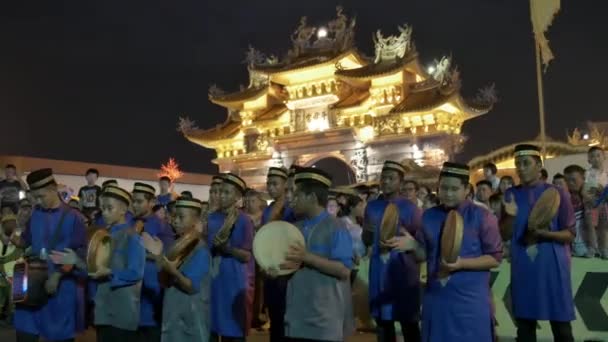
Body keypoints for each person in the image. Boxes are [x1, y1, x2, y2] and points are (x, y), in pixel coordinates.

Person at [392, 162, 502, 341]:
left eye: (454, 189)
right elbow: (424, 255)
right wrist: (412, 246)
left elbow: (495, 258)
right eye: (444, 188)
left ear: (466, 189)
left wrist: (461, 264)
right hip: (437, 300)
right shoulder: (429, 216)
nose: (448, 194)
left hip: (470, 302)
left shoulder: (483, 216)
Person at [503, 144, 575, 342]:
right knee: (525, 329)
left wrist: (545, 234)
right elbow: (504, 235)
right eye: (518, 164)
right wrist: (509, 217)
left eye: (526, 163)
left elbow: (570, 234)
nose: (521, 168)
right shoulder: (511, 194)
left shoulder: (557, 193)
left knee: (562, 329)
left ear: (538, 165)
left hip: (552, 267)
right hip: (523, 268)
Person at [12, 168, 87, 342]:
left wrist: (58, 275)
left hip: (60, 288)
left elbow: (79, 255)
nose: (38, 201)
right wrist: (10, 234)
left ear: (53, 190)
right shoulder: (35, 214)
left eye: (41, 196)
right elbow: (25, 242)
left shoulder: (74, 217)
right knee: (24, 332)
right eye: (35, 197)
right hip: (33, 283)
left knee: (58, 334)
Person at [281, 167, 354, 342]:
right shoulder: (294, 228)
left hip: (325, 322)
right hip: (296, 318)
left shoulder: (336, 227)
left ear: (312, 198)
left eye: (297, 195)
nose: (292, 199)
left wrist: (307, 257)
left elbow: (344, 270)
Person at [363, 161, 424, 342]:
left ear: (400, 182)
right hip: (379, 271)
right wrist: (368, 232)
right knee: (383, 324)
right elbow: (366, 240)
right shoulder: (371, 207)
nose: (386, 182)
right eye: (384, 178)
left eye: (391, 178)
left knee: (409, 323)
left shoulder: (411, 208)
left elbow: (420, 243)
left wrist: (410, 243)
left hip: (403, 271)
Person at [85, 185, 146, 341]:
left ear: (123, 209)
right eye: (103, 208)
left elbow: (136, 272)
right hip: (103, 309)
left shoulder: (133, 237)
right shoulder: (103, 235)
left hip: (123, 312)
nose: (104, 213)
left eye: (109, 208)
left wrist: (111, 272)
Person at [151, 197, 211, 342]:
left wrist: (173, 271)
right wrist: (159, 257)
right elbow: (164, 281)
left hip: (191, 317)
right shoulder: (176, 245)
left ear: (196, 222)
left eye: (181, 217)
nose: (175, 221)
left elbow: (191, 287)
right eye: (174, 216)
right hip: (174, 313)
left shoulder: (200, 250)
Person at [208, 173, 254, 342]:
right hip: (214, 279)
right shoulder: (211, 218)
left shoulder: (243, 221)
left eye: (227, 192)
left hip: (233, 281)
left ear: (237, 197)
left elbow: (246, 255)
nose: (222, 196)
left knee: (232, 330)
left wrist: (227, 249)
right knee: (211, 328)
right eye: (220, 192)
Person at [130, 182, 175, 341]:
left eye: (139, 201)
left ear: (151, 203)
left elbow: (167, 256)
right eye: (133, 201)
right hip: (133, 292)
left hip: (152, 289)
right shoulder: (130, 222)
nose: (135, 205)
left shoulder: (162, 226)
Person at [260, 167, 295, 340]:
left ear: (285, 186)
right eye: (269, 183)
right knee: (274, 315)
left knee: (285, 316)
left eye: (275, 184)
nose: (270, 187)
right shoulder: (268, 209)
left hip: (286, 268)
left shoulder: (291, 209)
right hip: (269, 266)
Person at [583, 146, 608, 258]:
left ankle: (604, 249)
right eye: (592, 156)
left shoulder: (606, 174)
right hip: (591, 205)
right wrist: (588, 198)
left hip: (604, 205)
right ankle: (592, 248)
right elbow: (584, 189)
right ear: (589, 160)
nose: (596, 158)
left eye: (598, 155)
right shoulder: (588, 173)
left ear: (604, 157)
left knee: (603, 228)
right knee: (591, 227)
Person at [564, 164, 589, 257]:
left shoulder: (593, 194)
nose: (570, 183)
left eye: (573, 180)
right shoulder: (565, 198)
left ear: (583, 178)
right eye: (567, 180)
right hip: (574, 249)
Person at [0, 214, 21, 322]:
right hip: (2, 275)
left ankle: (12, 317)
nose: (10, 225)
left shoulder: (18, 237)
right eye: (7, 223)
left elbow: (20, 250)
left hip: (17, 273)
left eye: (13, 223)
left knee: (15, 299)